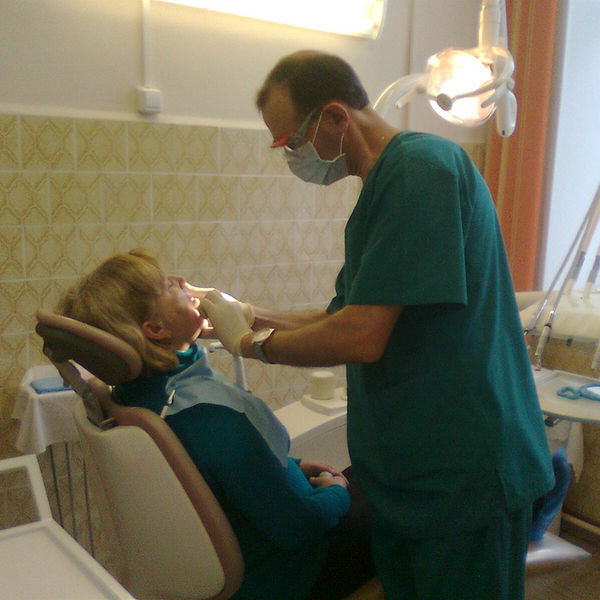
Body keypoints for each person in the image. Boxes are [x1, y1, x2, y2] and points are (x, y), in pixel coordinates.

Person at [199, 50, 556, 600]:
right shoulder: (383, 190)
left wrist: (250, 343)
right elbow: (343, 313)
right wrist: (246, 311)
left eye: (291, 141)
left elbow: (362, 336)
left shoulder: (423, 171)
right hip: (408, 477)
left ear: (335, 117)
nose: (292, 156)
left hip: (463, 475)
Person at [57, 249, 375, 600]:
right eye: (167, 285)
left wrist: (291, 465)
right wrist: (336, 491)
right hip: (286, 573)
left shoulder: (134, 398)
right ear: (155, 329)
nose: (181, 280)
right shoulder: (210, 413)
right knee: (389, 500)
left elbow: (215, 472)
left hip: (250, 551)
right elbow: (302, 524)